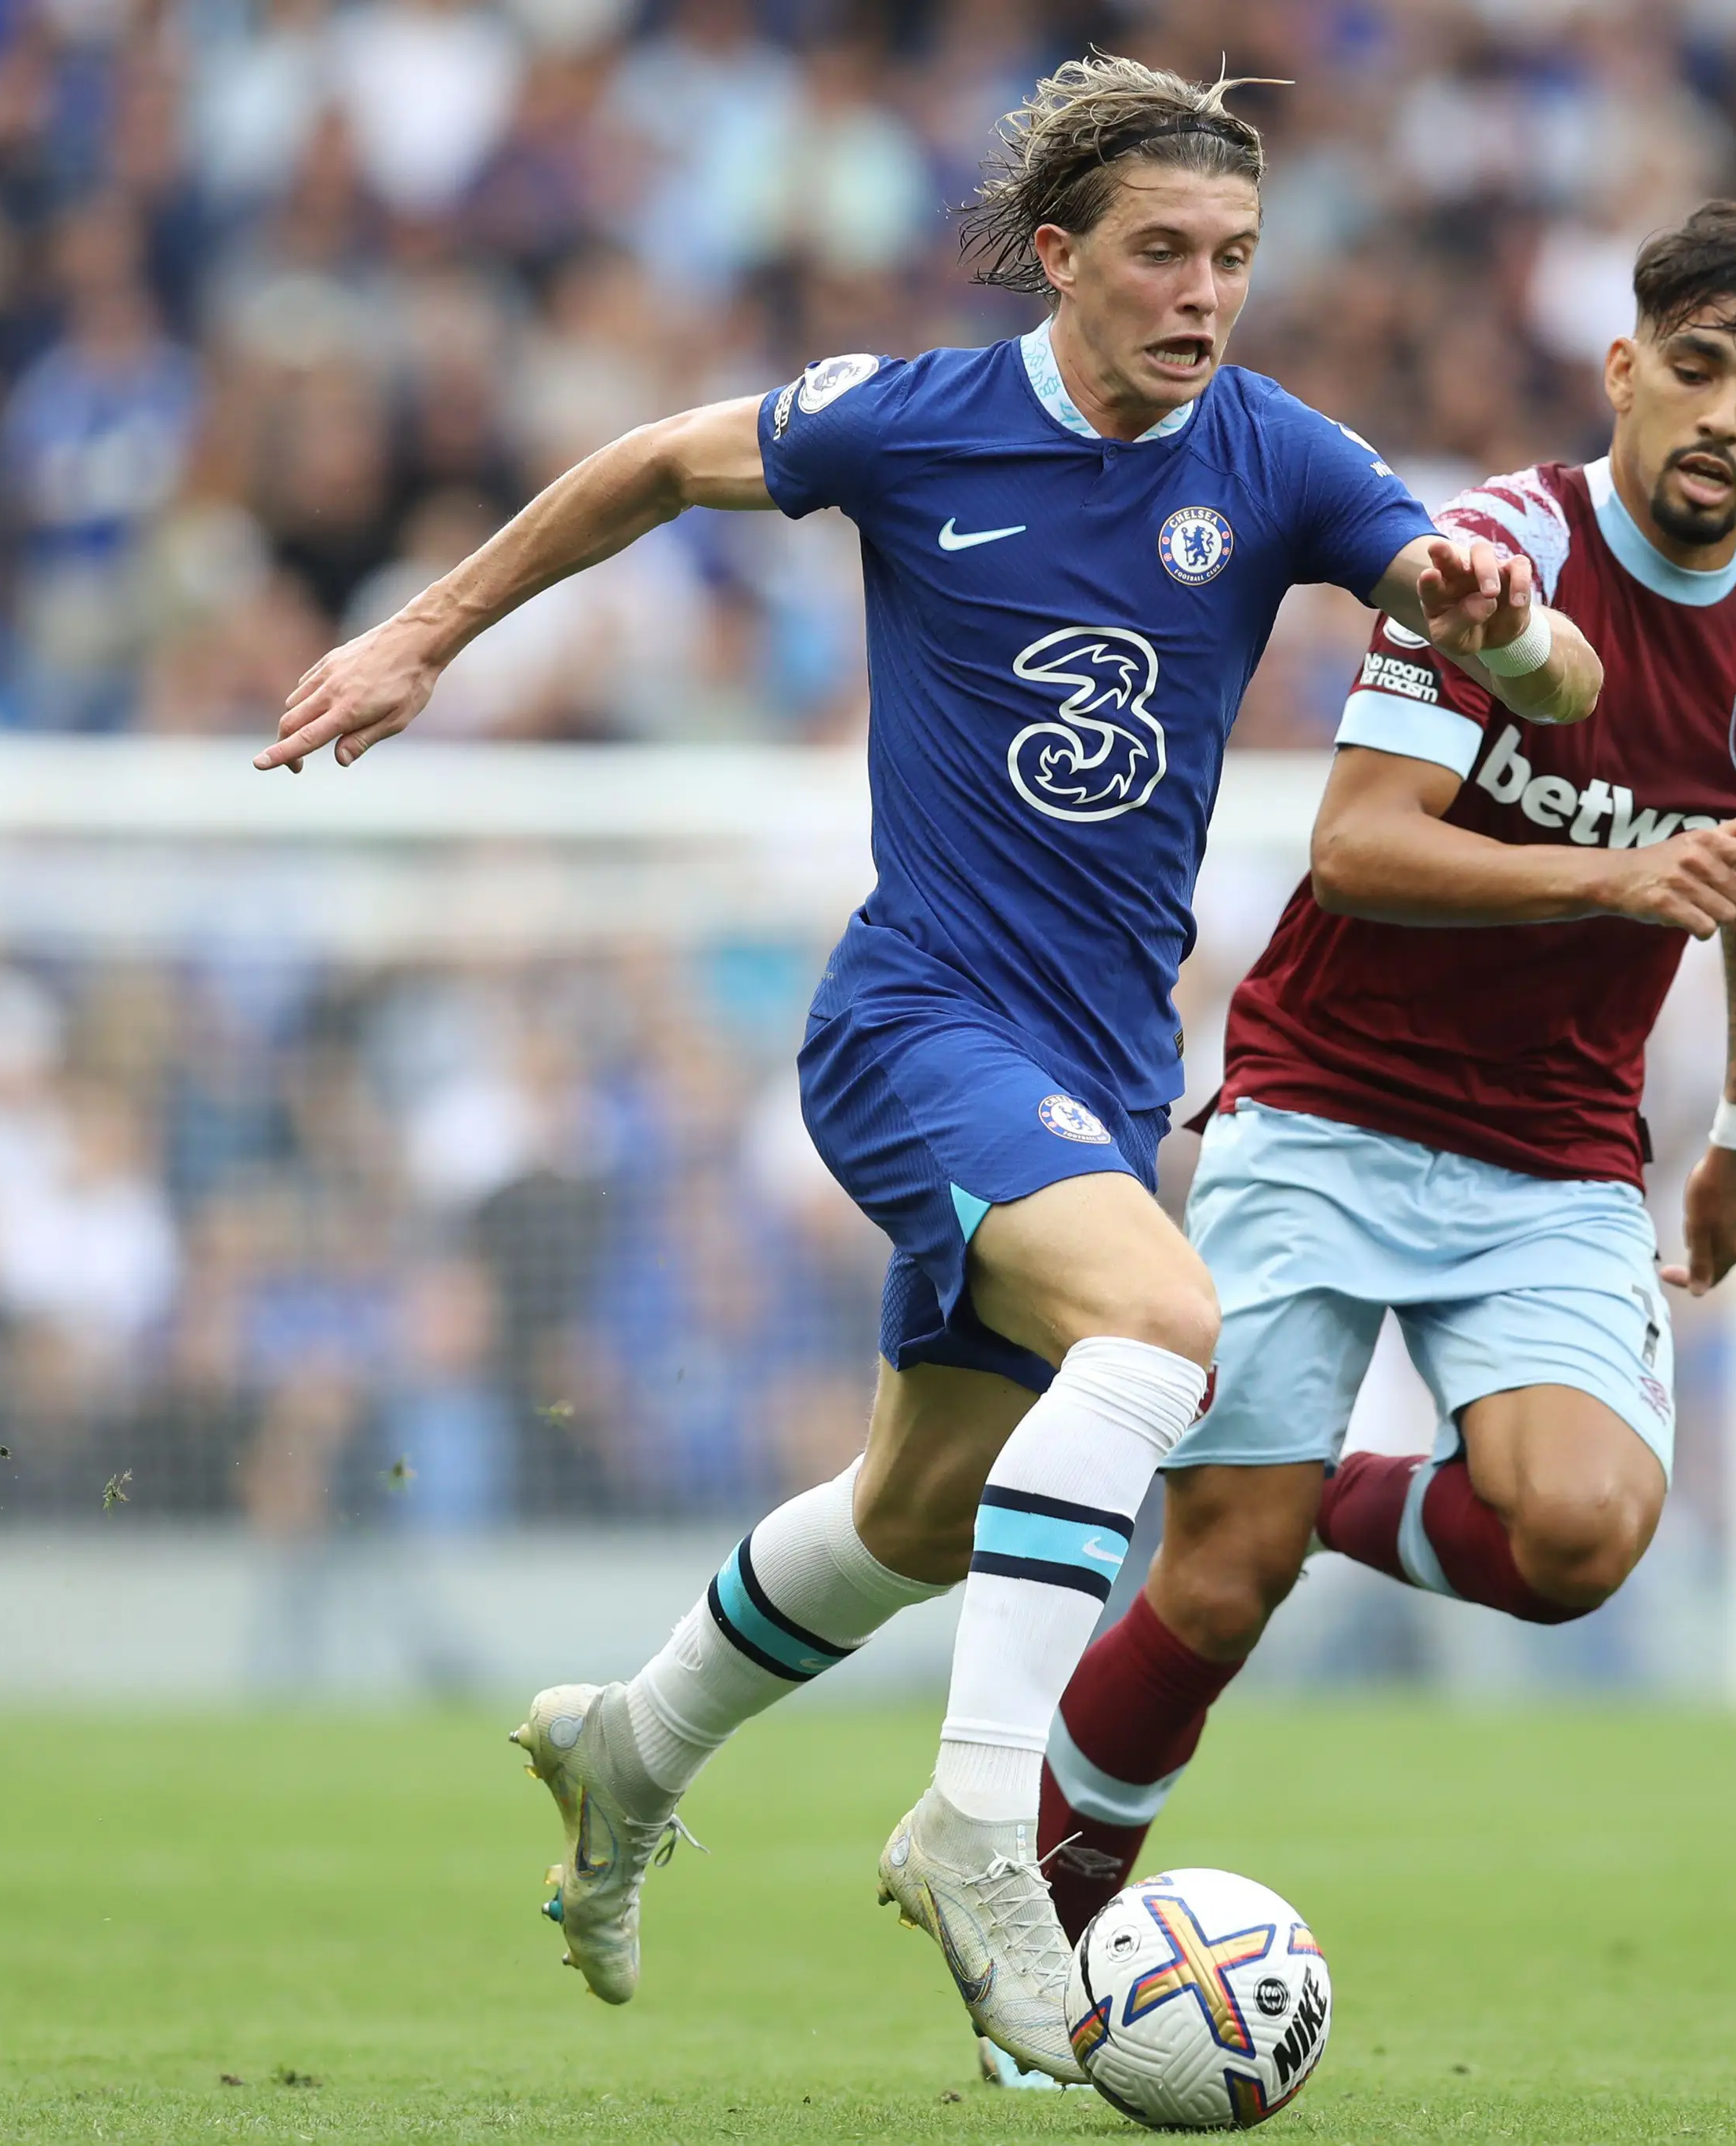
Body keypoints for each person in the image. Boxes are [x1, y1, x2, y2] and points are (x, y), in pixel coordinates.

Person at [255, 57, 1601, 2080]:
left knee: (920, 1510)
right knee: (1164, 1327)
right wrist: (427, 637)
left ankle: (630, 1748)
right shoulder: (911, 421)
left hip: (1097, 1064)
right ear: (1058, 255)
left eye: (1233, 255)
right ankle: (979, 1827)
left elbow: (1533, 662)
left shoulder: (1281, 455)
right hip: (917, 1023)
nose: (1203, 293)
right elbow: (654, 462)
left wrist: (1507, 634)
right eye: (1161, 251)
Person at [1025, 202, 1736, 1987]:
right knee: (1216, 1583)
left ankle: (1316, 1485)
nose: (1724, 415)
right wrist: (1612, 877)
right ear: (1624, 370)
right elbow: (1357, 845)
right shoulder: (1498, 554)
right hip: (1328, 1101)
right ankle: (1033, 1948)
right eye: (1697, 369)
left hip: (1557, 1148)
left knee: (1578, 1536)